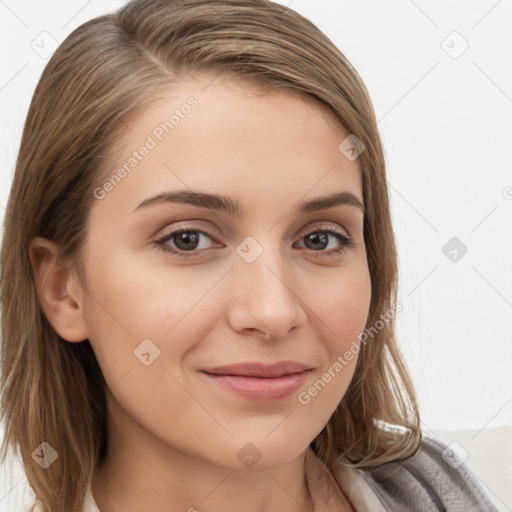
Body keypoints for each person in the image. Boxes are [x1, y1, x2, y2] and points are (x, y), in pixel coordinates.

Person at [0, 0, 499, 511]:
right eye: (187, 239)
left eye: (320, 238)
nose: (272, 312)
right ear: (64, 290)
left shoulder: (459, 486)